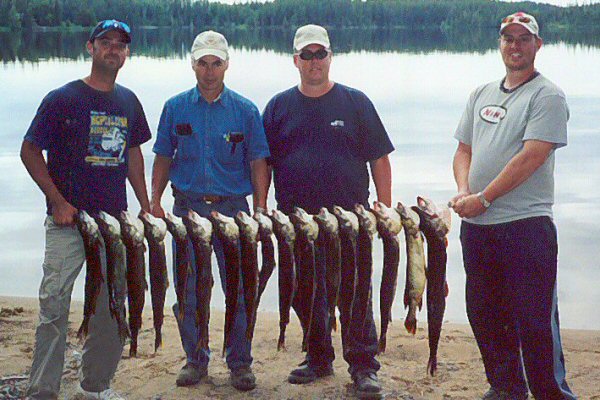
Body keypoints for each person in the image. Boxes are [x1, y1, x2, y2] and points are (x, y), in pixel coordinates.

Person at [20, 19, 151, 400]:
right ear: (90, 47)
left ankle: (94, 387)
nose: (113, 49)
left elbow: (132, 154)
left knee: (112, 310)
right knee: (54, 308)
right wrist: (58, 202)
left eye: (121, 44)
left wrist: (145, 205)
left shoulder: (129, 101)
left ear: (127, 53)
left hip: (113, 226)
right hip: (67, 224)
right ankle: (42, 391)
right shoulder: (61, 98)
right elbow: (29, 150)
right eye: (106, 42)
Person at [449, 12, 577, 400]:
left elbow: (532, 156)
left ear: (538, 45)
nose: (515, 46)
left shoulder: (547, 95)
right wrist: (463, 191)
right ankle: (505, 387)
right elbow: (463, 150)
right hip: (477, 227)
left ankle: (551, 393)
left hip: (526, 226)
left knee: (535, 322)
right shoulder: (481, 93)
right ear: (499, 43)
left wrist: (484, 197)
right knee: (485, 315)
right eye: (508, 38)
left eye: (524, 39)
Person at [262, 24, 393, 400]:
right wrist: (262, 207)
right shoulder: (277, 106)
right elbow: (263, 164)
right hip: (297, 222)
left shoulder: (355, 102)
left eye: (321, 54)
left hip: (350, 221)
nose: (314, 61)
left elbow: (379, 158)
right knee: (304, 292)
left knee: (354, 292)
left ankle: (363, 365)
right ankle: (318, 356)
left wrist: (382, 207)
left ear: (330, 57)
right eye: (307, 55)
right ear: (295, 60)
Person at [150, 30, 270, 391]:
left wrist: (261, 208)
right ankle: (195, 358)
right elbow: (162, 157)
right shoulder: (175, 108)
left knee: (240, 290)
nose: (209, 71)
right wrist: (154, 201)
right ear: (193, 65)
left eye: (216, 63)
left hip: (235, 212)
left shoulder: (246, 111)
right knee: (188, 289)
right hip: (186, 211)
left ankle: (239, 362)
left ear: (227, 65)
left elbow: (258, 161)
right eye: (202, 63)